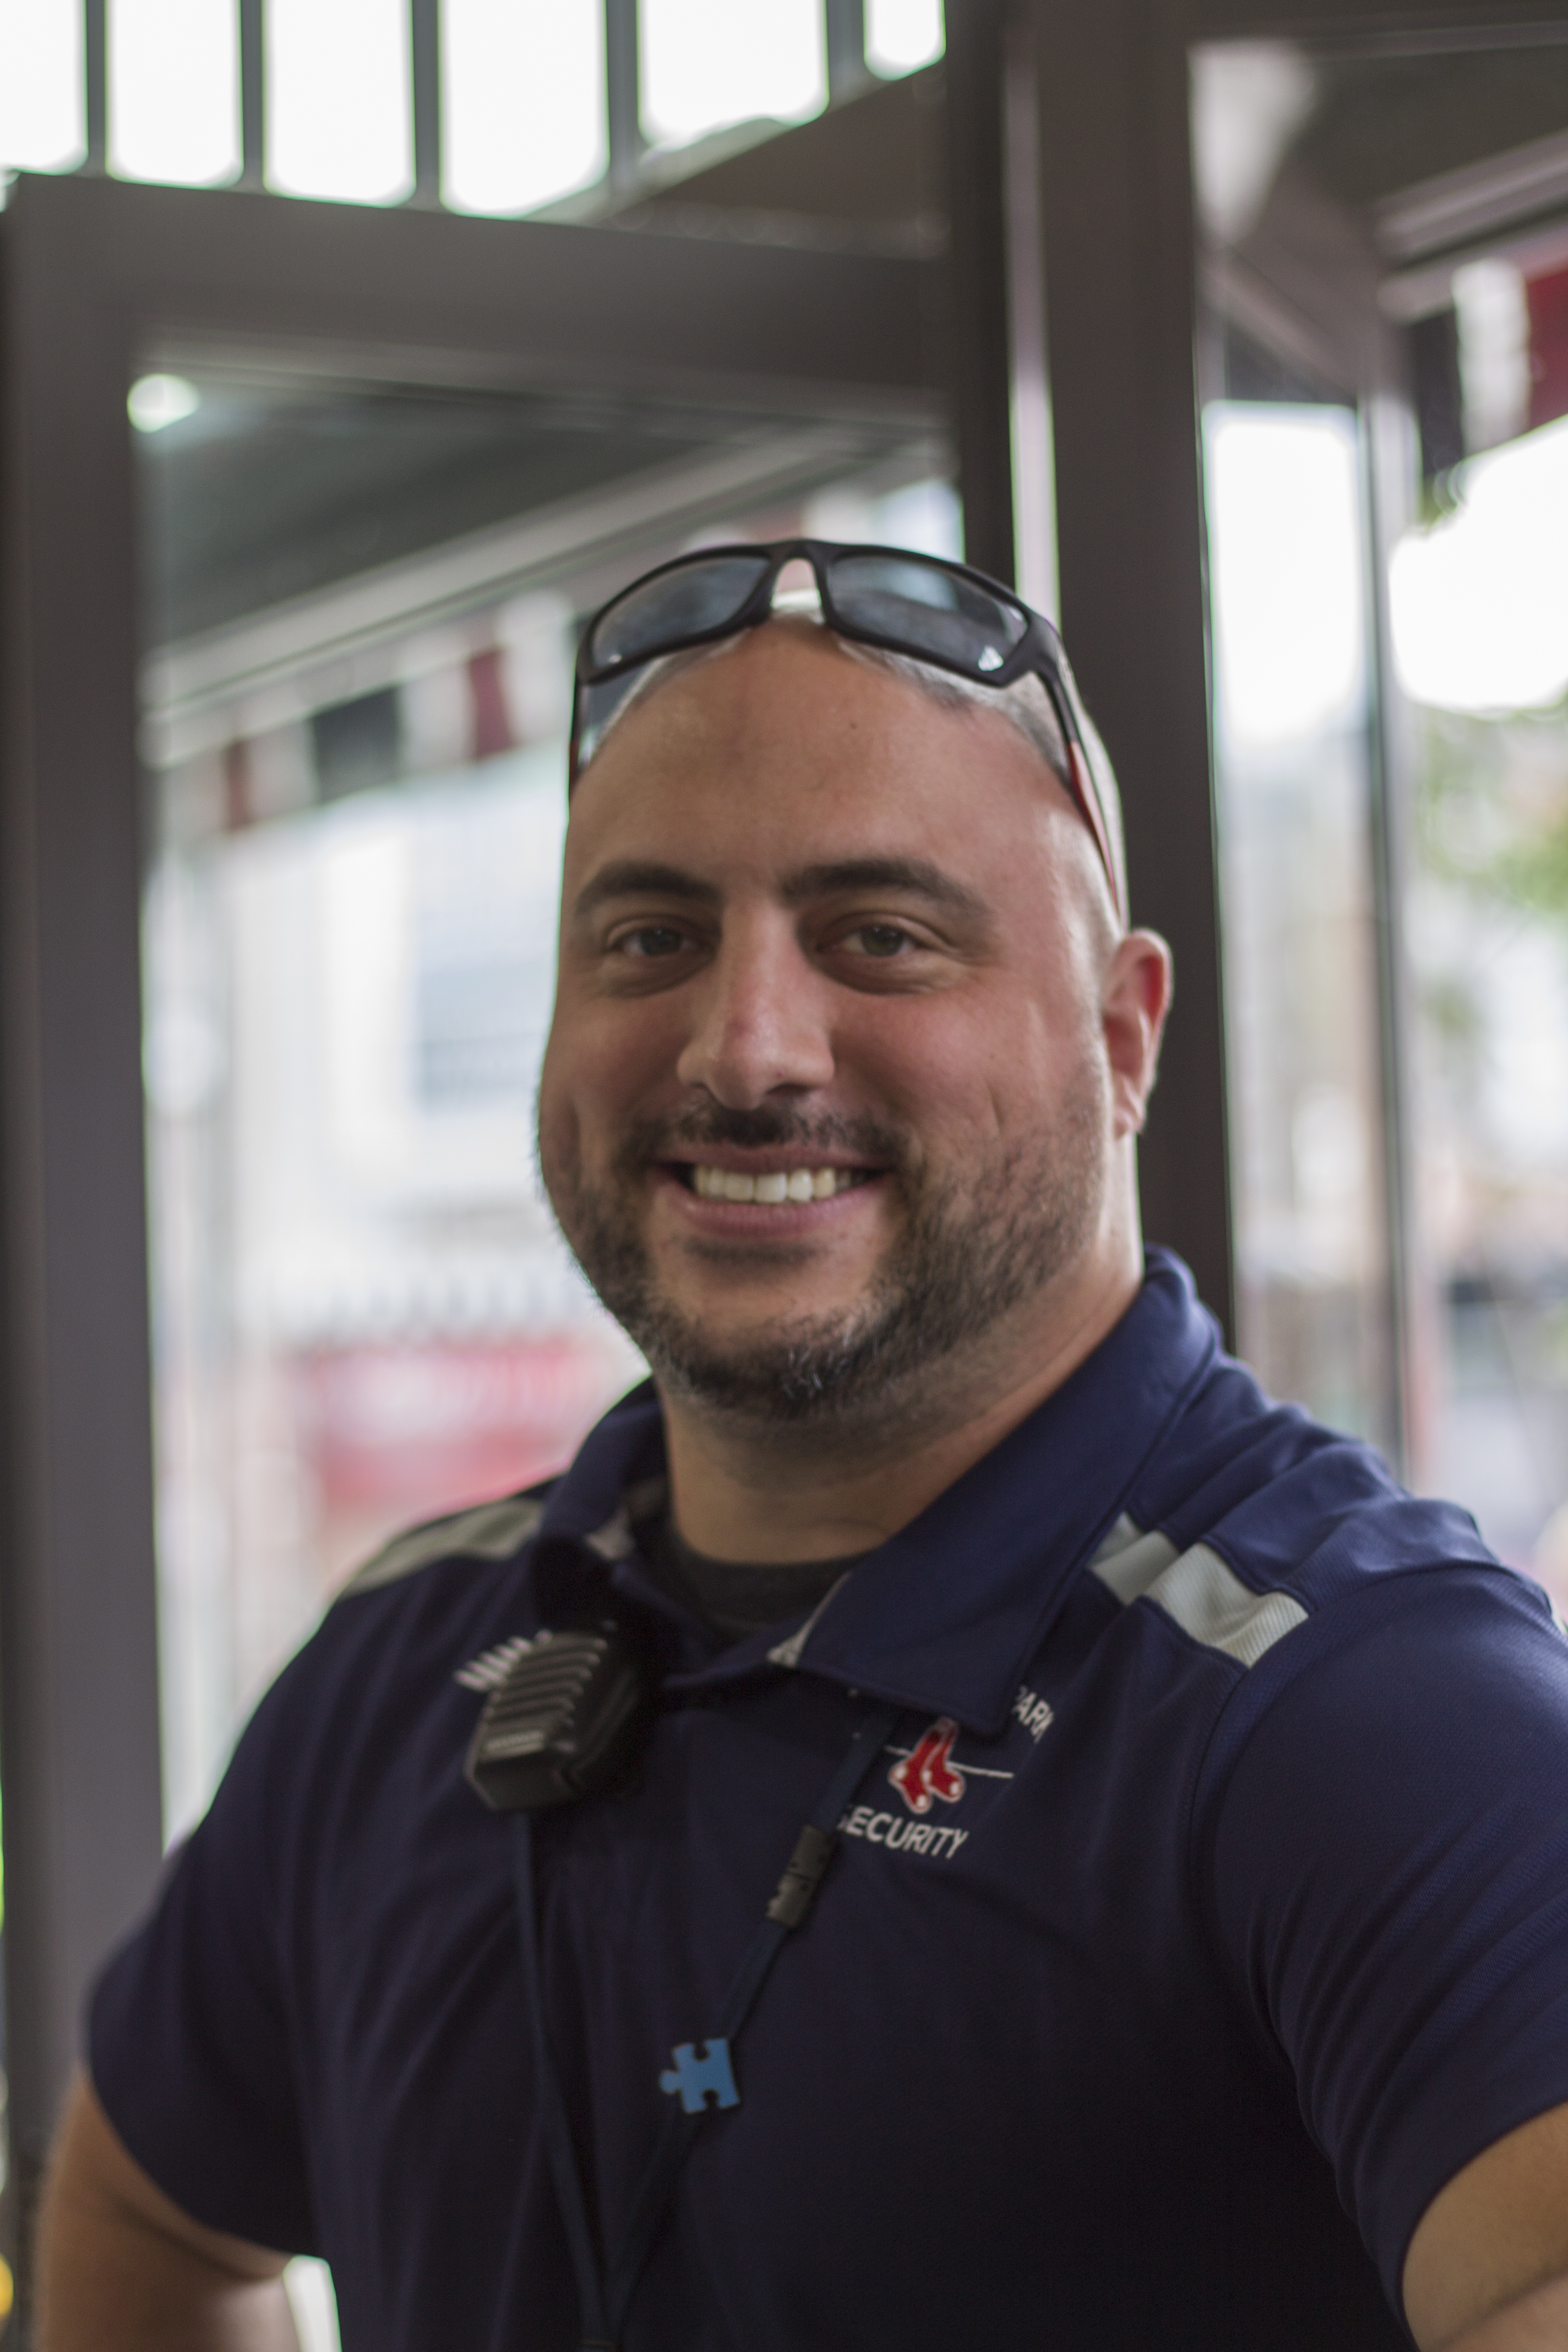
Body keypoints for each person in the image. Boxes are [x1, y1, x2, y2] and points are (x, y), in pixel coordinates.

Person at [38, 541, 1568, 2352]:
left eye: (881, 936)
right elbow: (148, 2210)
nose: (745, 1047)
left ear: (1122, 1036)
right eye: (650, 938)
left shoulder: (1359, 1707)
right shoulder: (412, 1659)